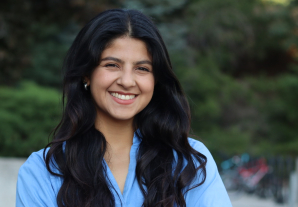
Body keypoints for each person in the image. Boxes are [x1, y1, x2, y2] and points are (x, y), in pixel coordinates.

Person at [16, 9, 232, 207]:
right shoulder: (42, 172)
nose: (127, 81)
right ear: (86, 74)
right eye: (112, 65)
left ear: (156, 80)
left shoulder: (190, 163)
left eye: (142, 68)